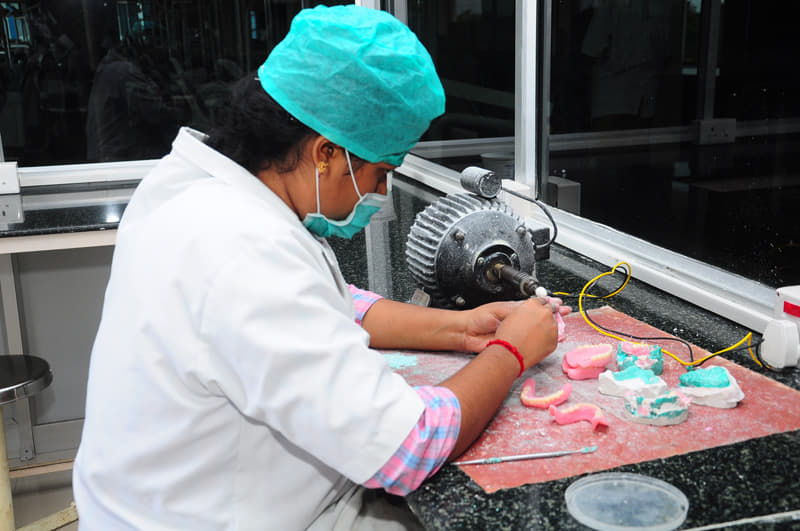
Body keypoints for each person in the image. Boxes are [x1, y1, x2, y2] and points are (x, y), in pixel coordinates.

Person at [73, 6, 569, 530]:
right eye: (381, 172)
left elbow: (329, 306)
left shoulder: (197, 190)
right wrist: (510, 352)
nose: (381, 194)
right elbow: (408, 448)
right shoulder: (240, 249)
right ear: (325, 152)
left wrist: (458, 329)